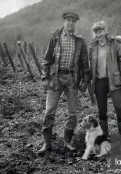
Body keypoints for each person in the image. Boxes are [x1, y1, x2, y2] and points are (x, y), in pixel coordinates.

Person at [38, 12, 90, 155]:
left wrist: (85, 81)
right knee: (49, 112)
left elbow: (85, 62)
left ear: (75, 23)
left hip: (72, 79)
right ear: (64, 22)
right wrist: (45, 78)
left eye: (73, 21)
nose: (70, 23)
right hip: (55, 78)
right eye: (68, 20)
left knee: (72, 113)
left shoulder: (80, 40)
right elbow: (47, 60)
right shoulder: (55, 38)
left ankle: (67, 142)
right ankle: (47, 143)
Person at [88, 21, 121, 140]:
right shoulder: (93, 46)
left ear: (105, 31)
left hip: (114, 80)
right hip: (99, 82)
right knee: (102, 111)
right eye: (96, 32)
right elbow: (91, 65)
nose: (98, 34)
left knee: (119, 109)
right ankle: (105, 137)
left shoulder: (114, 43)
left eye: (100, 31)